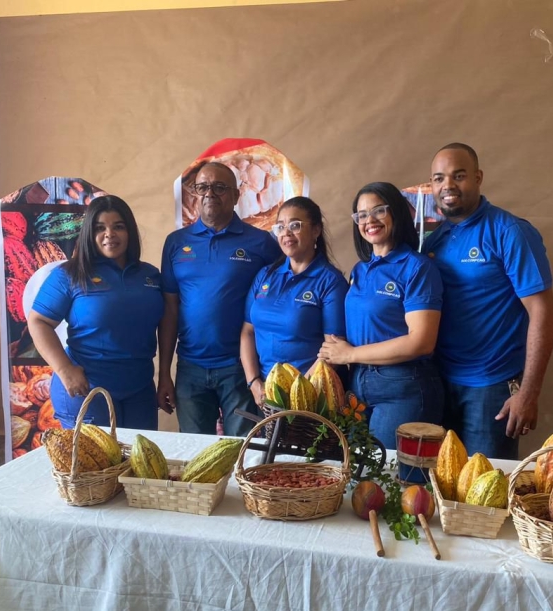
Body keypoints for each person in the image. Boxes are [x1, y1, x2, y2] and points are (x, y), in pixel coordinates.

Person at [423, 142, 553, 459]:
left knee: (485, 486)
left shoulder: (510, 232)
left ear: (478, 177)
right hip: (437, 382)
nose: (448, 185)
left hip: (490, 388)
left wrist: (529, 392)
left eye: (458, 176)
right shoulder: (434, 239)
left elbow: (542, 313)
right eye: (439, 178)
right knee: (437, 480)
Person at [158, 162, 281, 436]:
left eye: (219, 187)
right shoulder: (176, 242)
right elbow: (170, 310)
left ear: (236, 196)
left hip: (240, 369)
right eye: (202, 187)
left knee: (244, 451)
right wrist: (164, 373)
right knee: (195, 453)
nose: (209, 193)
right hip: (190, 368)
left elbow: (278, 303)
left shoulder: (261, 243)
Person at [318, 182, 444, 451]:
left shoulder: (417, 268)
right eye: (362, 215)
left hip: (402, 387)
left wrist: (350, 354)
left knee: (387, 471)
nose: (369, 220)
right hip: (357, 385)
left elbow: (422, 342)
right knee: (355, 469)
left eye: (378, 211)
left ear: (396, 212)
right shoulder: (359, 270)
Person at [27, 195, 164, 430]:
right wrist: (65, 370)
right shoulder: (70, 274)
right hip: (88, 388)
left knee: (140, 454)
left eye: (118, 226)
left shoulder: (149, 275)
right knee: (93, 456)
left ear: (130, 231)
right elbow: (38, 321)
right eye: (100, 228)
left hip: (140, 389)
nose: (110, 234)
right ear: (89, 234)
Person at [241, 196, 347, 406]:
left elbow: (333, 348)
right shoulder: (265, 275)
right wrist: (254, 383)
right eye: (280, 227)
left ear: (316, 230)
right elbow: (247, 331)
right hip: (265, 395)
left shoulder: (330, 281)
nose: (286, 233)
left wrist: (297, 394)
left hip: (311, 399)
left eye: (295, 225)